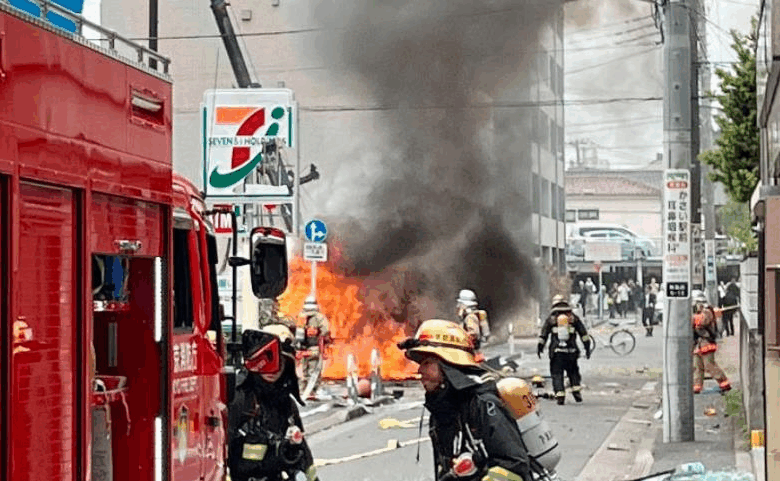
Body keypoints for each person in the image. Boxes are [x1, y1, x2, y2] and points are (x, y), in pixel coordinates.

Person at [397, 319, 533, 481]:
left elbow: (515, 467)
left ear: (448, 364)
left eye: (427, 363)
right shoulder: (442, 409)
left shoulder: (483, 404)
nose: (420, 370)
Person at [227, 325, 319, 481]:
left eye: (280, 364)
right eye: (269, 362)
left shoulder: (286, 403)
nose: (274, 371)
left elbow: (303, 453)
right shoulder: (241, 399)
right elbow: (222, 453)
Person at [537, 295, 592, 405]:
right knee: (573, 372)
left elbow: (543, 335)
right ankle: (577, 393)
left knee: (557, 374)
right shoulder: (573, 318)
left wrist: (540, 348)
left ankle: (560, 397)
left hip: (557, 353)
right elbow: (584, 335)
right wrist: (587, 348)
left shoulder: (551, 319)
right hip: (572, 352)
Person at [692, 294, 732, 394]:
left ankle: (724, 383)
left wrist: (691, 319)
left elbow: (701, 321)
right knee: (697, 367)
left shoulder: (707, 312)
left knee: (709, 366)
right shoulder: (698, 313)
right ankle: (697, 387)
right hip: (698, 344)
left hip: (706, 343)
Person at [296, 296, 331, 391]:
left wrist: (299, 352)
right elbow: (323, 336)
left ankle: (305, 392)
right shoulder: (320, 318)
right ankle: (312, 392)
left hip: (303, 350)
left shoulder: (301, 317)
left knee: (305, 373)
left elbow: (298, 337)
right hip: (314, 350)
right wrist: (323, 352)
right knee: (313, 373)